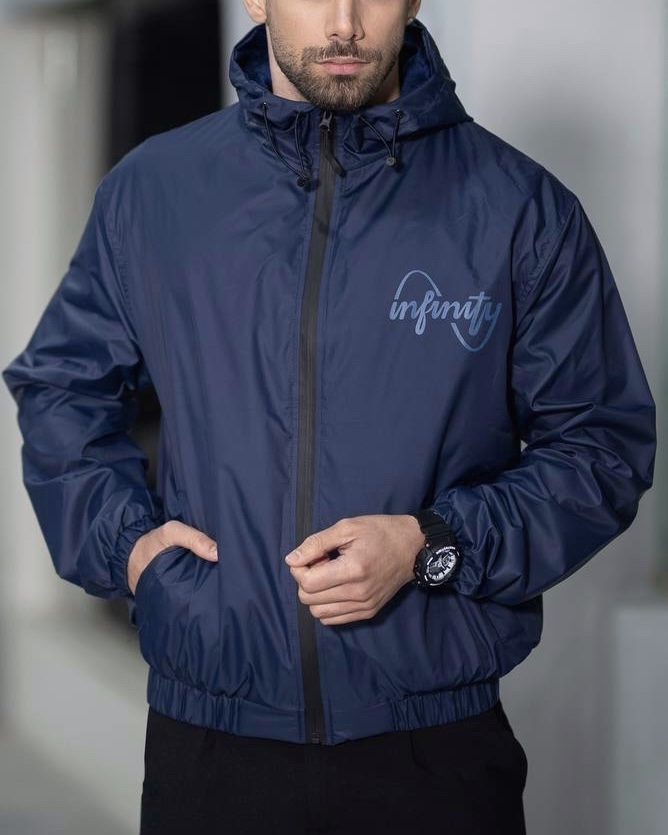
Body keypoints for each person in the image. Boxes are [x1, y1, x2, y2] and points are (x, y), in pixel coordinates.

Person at [3, 1, 655, 833]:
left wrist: (433, 543)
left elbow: (601, 445)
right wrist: (127, 547)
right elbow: (62, 388)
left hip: (436, 754)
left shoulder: (519, 208)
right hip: (210, 748)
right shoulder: (154, 190)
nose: (344, 22)